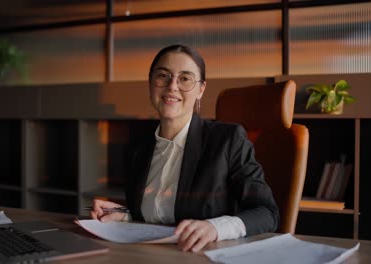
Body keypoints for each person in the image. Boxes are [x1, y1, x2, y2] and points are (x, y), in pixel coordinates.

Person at [89, 44, 279, 252]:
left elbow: (267, 212)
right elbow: (168, 213)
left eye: (185, 78)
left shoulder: (227, 139)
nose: (172, 86)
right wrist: (126, 215)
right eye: (163, 76)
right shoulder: (138, 147)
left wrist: (215, 228)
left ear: (201, 90)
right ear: (151, 83)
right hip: (147, 255)